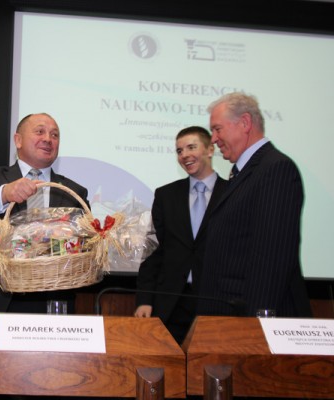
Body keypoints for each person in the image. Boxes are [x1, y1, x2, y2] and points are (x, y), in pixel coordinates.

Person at [0, 113, 89, 313]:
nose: (48, 139)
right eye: (40, 132)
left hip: (51, 306)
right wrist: (4, 193)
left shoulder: (73, 192)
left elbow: (87, 248)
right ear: (18, 140)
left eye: (54, 135)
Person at [198, 92, 312, 317]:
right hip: (227, 315)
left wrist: (257, 322)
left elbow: (271, 256)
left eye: (217, 129)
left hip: (250, 319)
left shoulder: (275, 169)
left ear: (245, 123)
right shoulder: (243, 173)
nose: (213, 139)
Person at [134, 126, 227, 343]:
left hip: (217, 302)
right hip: (171, 304)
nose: (184, 155)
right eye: (179, 151)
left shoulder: (232, 192)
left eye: (191, 147)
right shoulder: (166, 195)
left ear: (210, 150)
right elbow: (153, 250)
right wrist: (144, 299)